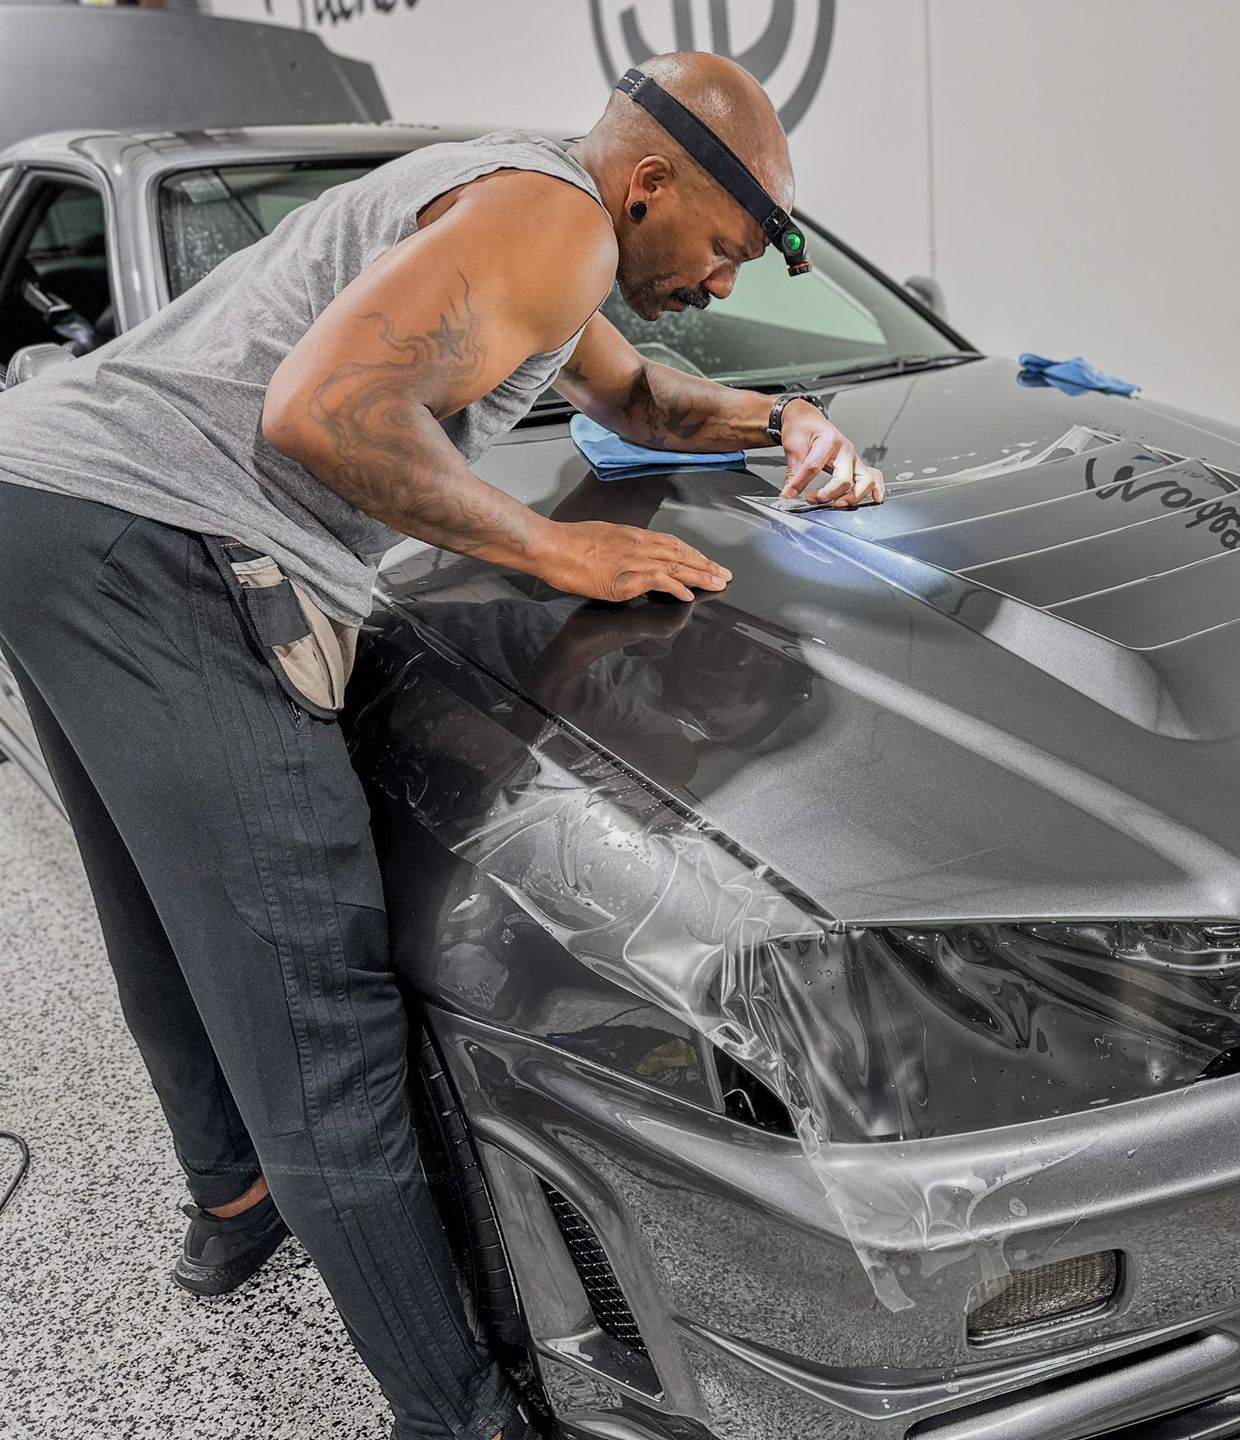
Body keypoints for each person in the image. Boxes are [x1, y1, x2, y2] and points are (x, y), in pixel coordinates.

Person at [0, 51, 880, 1440]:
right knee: (315, 997)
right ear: (652, 183)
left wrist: (792, 415)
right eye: (730, 245)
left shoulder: (538, 222)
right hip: (155, 533)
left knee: (166, 922)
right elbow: (318, 410)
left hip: (47, 493)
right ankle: (459, 1415)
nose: (729, 284)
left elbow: (641, 402)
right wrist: (554, 545)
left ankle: (233, 1208)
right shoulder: (558, 219)